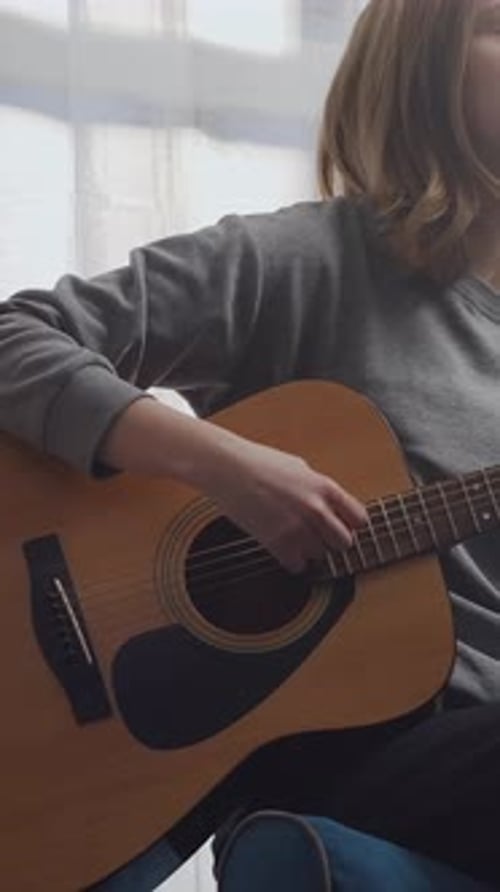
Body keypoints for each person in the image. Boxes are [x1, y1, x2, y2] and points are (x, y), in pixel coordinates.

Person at [2, 0, 500, 887]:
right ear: (417, 68)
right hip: (344, 741)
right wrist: (223, 466)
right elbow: (17, 339)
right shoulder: (311, 262)